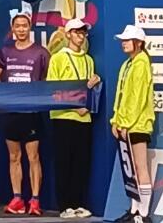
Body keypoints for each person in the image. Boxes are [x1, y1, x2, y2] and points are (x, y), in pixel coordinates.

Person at [0, 12, 50, 216]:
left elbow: (47, 81)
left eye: (24, 25)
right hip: (11, 112)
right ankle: (17, 198)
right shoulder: (5, 51)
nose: (21, 29)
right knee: (14, 157)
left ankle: (35, 200)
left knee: (33, 157)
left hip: (32, 112)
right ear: (13, 28)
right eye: (17, 26)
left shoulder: (41, 52)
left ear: (29, 27)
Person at [46, 19, 100, 219]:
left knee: (81, 163)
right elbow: (53, 89)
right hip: (63, 117)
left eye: (83, 32)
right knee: (64, 162)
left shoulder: (88, 60)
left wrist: (94, 84)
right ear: (68, 34)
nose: (80, 36)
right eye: (77, 32)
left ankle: (78, 204)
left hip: (84, 118)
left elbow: (89, 90)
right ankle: (65, 206)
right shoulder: (58, 58)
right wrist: (74, 106)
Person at [111, 25, 155, 223]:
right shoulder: (127, 63)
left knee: (140, 166)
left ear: (138, 43)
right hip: (125, 124)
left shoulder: (142, 63)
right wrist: (116, 120)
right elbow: (121, 95)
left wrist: (126, 122)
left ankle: (143, 214)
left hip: (138, 124)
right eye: (123, 40)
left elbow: (137, 97)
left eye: (127, 40)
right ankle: (134, 210)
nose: (123, 43)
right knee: (131, 170)